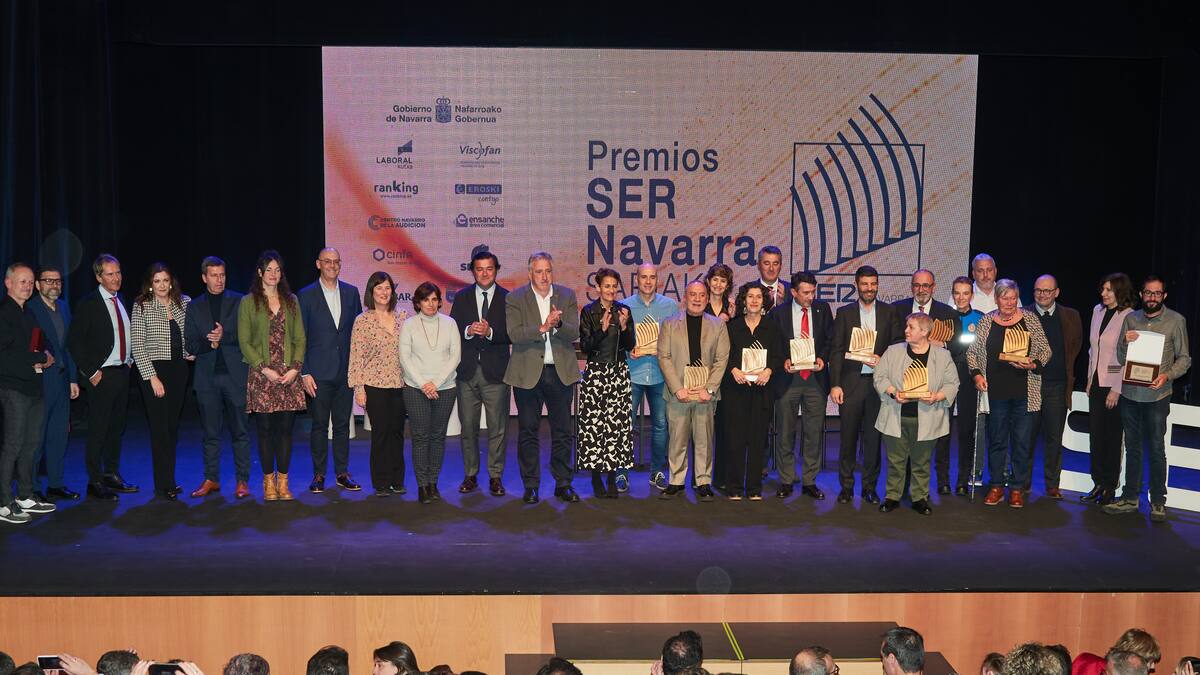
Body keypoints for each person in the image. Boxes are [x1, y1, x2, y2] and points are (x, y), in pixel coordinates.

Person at [1106, 275, 1191, 522]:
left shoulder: (1176, 320)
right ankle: (1130, 497)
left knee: (1156, 448)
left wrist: (1167, 375)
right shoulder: (1131, 319)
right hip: (1131, 394)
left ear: (1164, 296)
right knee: (1132, 448)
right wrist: (1125, 342)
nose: (1152, 297)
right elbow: (1121, 357)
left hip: (1157, 395)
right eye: (1148, 293)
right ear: (1142, 294)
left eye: (1157, 293)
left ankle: (1158, 501)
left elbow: (1185, 358)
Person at [503, 252, 581, 505]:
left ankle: (563, 483)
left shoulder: (566, 295)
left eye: (548, 271)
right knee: (528, 431)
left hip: (559, 373)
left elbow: (574, 332)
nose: (544, 276)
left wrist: (558, 325)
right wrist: (542, 327)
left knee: (563, 431)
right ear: (530, 274)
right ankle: (531, 485)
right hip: (527, 374)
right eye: (539, 271)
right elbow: (514, 334)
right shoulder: (515, 298)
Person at [967, 279, 1052, 508]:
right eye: (1005, 298)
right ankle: (996, 486)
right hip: (995, 393)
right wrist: (977, 375)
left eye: (1013, 298)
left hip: (1024, 392)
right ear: (997, 299)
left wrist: (1033, 364)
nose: (1009, 302)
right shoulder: (986, 321)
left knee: (1022, 442)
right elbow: (972, 353)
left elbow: (1046, 350)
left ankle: (1016, 488)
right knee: (997, 440)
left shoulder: (1030, 319)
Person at [67, 253, 137, 500]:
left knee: (117, 428)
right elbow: (74, 342)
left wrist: (128, 359)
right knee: (98, 429)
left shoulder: (121, 299)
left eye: (118, 272)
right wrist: (91, 372)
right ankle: (94, 481)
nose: (116, 278)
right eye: (110, 274)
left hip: (121, 373)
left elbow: (122, 335)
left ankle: (111, 474)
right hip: (101, 376)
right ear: (98, 277)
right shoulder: (88, 303)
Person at [874, 313, 959, 515]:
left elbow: (952, 383)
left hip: (928, 419)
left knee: (922, 463)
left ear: (924, 331)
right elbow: (879, 377)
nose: (906, 330)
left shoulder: (942, 356)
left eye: (911, 327)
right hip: (896, 416)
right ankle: (892, 497)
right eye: (907, 326)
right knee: (895, 462)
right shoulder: (893, 351)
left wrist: (937, 396)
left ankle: (919, 498)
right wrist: (893, 393)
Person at [239, 250, 307, 501]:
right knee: (265, 430)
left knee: (286, 431)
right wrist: (264, 368)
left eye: (277, 270)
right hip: (262, 375)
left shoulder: (292, 300)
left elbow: (300, 338)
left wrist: (295, 369)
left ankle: (283, 482)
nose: (273, 274)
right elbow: (245, 342)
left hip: (289, 375)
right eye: (269, 269)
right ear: (260, 272)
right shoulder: (248, 302)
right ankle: (268, 482)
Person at [829, 265, 899, 505]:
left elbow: (898, 344)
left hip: (879, 385)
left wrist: (884, 358)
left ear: (877, 285)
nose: (869, 288)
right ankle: (846, 487)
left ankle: (870, 487)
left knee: (873, 440)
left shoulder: (889, 312)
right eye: (865, 284)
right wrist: (835, 384)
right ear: (857, 285)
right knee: (847, 439)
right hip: (851, 384)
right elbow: (836, 350)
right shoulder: (844, 313)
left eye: (873, 284)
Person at [183, 256, 253, 499]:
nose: (219, 280)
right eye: (214, 275)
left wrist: (225, 336)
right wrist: (209, 344)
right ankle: (211, 479)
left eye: (222, 275)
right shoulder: (194, 307)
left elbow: (248, 337)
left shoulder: (240, 301)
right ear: (204, 278)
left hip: (235, 377)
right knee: (210, 433)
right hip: (207, 379)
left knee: (240, 432)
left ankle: (242, 481)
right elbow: (190, 343)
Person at [297, 247, 363, 493]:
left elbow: (358, 334)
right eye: (327, 261)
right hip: (318, 373)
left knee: (343, 425)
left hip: (345, 371)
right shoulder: (305, 295)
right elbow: (300, 337)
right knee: (319, 426)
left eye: (336, 261)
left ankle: (342, 473)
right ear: (318, 264)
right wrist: (304, 372)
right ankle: (319, 474)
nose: (332, 265)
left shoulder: (351, 292)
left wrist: (357, 370)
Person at [891, 269, 963, 495]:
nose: (921, 290)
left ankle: (942, 480)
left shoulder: (948, 313)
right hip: (907, 381)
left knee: (941, 434)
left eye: (926, 285)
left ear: (933, 287)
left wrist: (942, 345)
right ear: (911, 286)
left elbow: (958, 345)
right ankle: (905, 483)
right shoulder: (897, 309)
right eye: (917, 285)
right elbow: (891, 340)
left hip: (937, 384)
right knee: (907, 434)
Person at [658, 280, 730, 501]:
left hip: (704, 395)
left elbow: (722, 359)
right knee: (677, 440)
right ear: (685, 298)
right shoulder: (669, 324)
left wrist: (709, 389)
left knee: (704, 441)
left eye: (701, 295)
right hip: (678, 393)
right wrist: (677, 388)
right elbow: (664, 357)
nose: (697, 299)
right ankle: (676, 481)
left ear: (707, 299)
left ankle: (703, 482)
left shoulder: (718, 325)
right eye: (692, 294)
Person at [448, 247, 511, 497]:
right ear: (472, 271)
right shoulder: (462, 297)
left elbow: (513, 333)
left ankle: (495, 476)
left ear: (496, 270)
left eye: (489, 269)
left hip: (496, 373)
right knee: (468, 428)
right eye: (479, 269)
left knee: (498, 429)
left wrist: (490, 332)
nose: (484, 274)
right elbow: (453, 329)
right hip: (467, 372)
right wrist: (468, 330)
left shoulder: (508, 298)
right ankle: (470, 474)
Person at [0, 262, 56, 524]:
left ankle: (24, 495)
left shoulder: (29, 313)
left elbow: (37, 344)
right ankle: (3, 502)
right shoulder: (4, 313)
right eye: (22, 281)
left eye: (31, 282)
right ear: (8, 283)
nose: (27, 286)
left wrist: (45, 355)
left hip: (34, 387)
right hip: (13, 388)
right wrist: (39, 358)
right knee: (12, 445)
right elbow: (6, 356)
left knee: (31, 443)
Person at [130, 262, 192, 500]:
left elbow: (189, 334)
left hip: (179, 370)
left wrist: (191, 350)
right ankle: (162, 484)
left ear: (171, 282)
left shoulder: (183, 303)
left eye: (165, 280)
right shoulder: (142, 305)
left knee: (172, 428)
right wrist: (152, 377)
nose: (162, 285)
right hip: (154, 372)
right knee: (159, 430)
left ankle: (170, 480)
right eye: (157, 281)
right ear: (150, 284)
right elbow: (138, 345)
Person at [770, 271, 833, 499]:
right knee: (785, 432)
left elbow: (830, 339)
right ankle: (786, 480)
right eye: (806, 293)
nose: (810, 297)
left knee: (813, 433)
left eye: (813, 292)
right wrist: (783, 361)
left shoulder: (822, 309)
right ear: (794, 292)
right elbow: (773, 345)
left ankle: (809, 481)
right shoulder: (778, 313)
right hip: (788, 379)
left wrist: (822, 358)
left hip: (815, 379)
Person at [719, 282, 783, 500]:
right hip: (736, 391)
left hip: (762, 392)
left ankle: (754, 489)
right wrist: (733, 369)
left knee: (757, 442)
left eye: (758, 297)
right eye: (750, 297)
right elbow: (723, 355)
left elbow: (778, 355)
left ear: (764, 301)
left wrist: (769, 370)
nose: (754, 300)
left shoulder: (772, 328)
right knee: (735, 441)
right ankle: (734, 488)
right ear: (743, 301)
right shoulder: (732, 327)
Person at [399, 282, 461, 504]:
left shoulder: (450, 324)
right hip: (416, 389)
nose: (431, 304)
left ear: (440, 302)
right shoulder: (409, 325)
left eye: (434, 299)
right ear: (418, 303)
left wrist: (436, 383)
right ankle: (422, 485)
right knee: (421, 437)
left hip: (445, 388)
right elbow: (405, 358)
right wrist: (424, 384)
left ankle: (433, 482)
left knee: (437, 437)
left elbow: (455, 356)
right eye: (426, 300)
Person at [348, 271, 408, 498]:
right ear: (371, 292)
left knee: (397, 433)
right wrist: (359, 388)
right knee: (380, 434)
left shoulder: (402, 318)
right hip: (374, 385)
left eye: (387, 288)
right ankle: (381, 482)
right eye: (379, 288)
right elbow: (356, 356)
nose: (384, 292)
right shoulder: (362, 321)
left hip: (400, 384)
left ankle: (397, 480)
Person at [577, 267, 635, 498]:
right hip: (596, 374)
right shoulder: (589, 311)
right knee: (594, 427)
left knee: (615, 427)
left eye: (614, 286)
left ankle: (611, 477)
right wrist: (601, 330)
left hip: (618, 372)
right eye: (607, 286)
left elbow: (630, 345)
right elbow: (585, 347)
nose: (611, 290)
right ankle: (595, 477)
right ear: (598, 287)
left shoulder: (624, 310)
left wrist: (624, 327)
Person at [619, 262, 677, 492]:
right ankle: (621, 473)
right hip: (632, 373)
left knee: (661, 425)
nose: (648, 281)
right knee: (626, 425)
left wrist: (664, 351)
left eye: (652, 277)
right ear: (637, 279)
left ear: (657, 280)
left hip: (660, 374)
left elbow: (676, 340)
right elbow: (618, 339)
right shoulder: (624, 306)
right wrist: (628, 350)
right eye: (644, 277)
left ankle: (657, 472)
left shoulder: (670, 306)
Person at [1025, 274, 1083, 499]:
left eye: (1047, 291)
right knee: (1025, 437)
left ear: (1056, 292)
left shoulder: (1071, 316)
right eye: (1038, 290)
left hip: (1057, 386)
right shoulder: (1023, 314)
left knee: (1054, 439)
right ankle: (1022, 483)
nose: (1042, 295)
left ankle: (1052, 484)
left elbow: (1076, 345)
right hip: (1029, 385)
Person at [27, 265, 80, 501]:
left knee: (59, 435)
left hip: (62, 379)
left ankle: (56, 484)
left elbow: (69, 346)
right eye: (48, 281)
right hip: (41, 380)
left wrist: (73, 378)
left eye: (57, 281)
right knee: (36, 437)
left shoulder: (65, 307)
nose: (54, 285)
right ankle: (32, 487)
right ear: (38, 285)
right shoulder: (30, 308)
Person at [1082, 273, 1135, 506]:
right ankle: (1098, 483)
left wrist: (1117, 388)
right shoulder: (1098, 311)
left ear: (1120, 292)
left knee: (1112, 438)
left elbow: (1127, 356)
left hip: (1114, 385)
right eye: (1102, 289)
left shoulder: (1129, 316)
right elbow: (1093, 350)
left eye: (1108, 290)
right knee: (1096, 436)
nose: (1103, 294)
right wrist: (1089, 379)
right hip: (1096, 382)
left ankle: (1110, 486)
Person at [950, 276, 985, 494]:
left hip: (969, 376)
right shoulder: (944, 316)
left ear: (972, 295)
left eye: (965, 293)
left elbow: (981, 351)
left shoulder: (980, 318)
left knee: (966, 430)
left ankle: (963, 479)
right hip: (945, 375)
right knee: (941, 430)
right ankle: (942, 480)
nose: (961, 297)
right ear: (953, 294)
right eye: (957, 293)